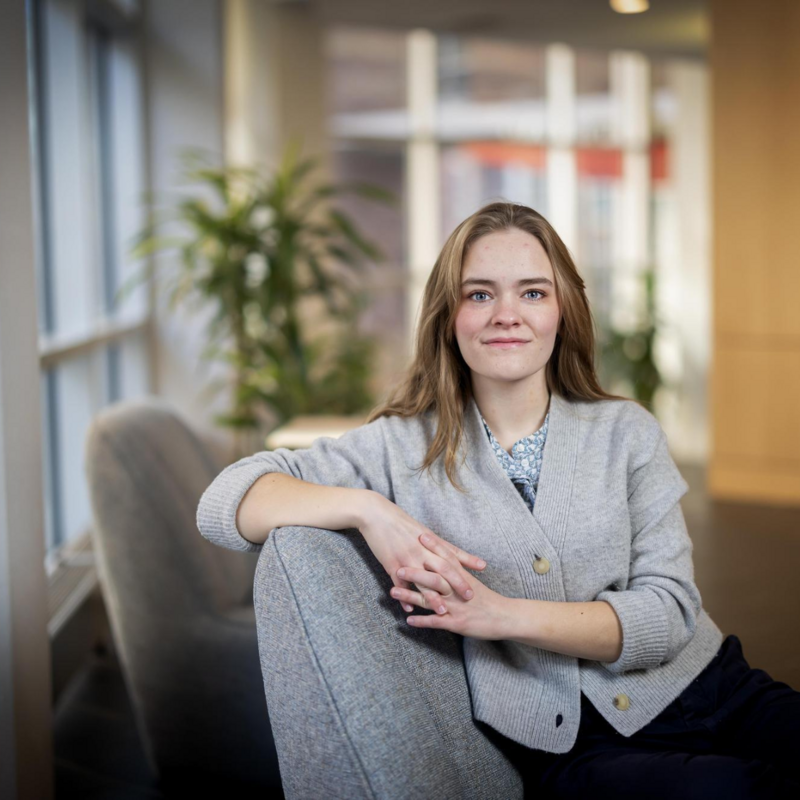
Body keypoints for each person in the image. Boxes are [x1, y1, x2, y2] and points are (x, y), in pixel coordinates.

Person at [197, 201, 800, 798]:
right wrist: (368, 509)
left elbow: (669, 613)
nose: (507, 315)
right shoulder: (399, 447)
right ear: (447, 315)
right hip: (573, 746)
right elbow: (226, 501)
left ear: (562, 310)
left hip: (714, 687)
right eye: (480, 294)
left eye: (533, 293)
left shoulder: (626, 431)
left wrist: (499, 616)